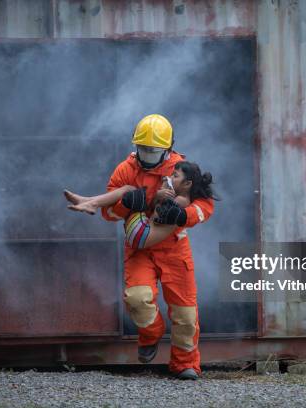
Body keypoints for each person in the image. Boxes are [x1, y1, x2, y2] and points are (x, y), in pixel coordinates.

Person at [66, 114, 215, 380]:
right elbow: (109, 215)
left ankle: (185, 364)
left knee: (185, 313)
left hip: (174, 248)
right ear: (135, 146)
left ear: (167, 149)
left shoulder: (182, 169)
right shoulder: (125, 169)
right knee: (137, 299)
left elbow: (205, 206)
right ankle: (151, 333)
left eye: (153, 150)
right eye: (142, 148)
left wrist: (185, 216)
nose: (146, 154)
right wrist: (127, 204)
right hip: (140, 248)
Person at [64, 161, 217, 249]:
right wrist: (157, 195)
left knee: (129, 190)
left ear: (187, 184)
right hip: (140, 234)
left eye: (175, 176)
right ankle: (88, 201)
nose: (170, 177)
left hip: (141, 235)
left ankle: (91, 202)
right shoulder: (178, 194)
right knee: (129, 191)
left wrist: (158, 196)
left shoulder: (181, 202)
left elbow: (158, 217)